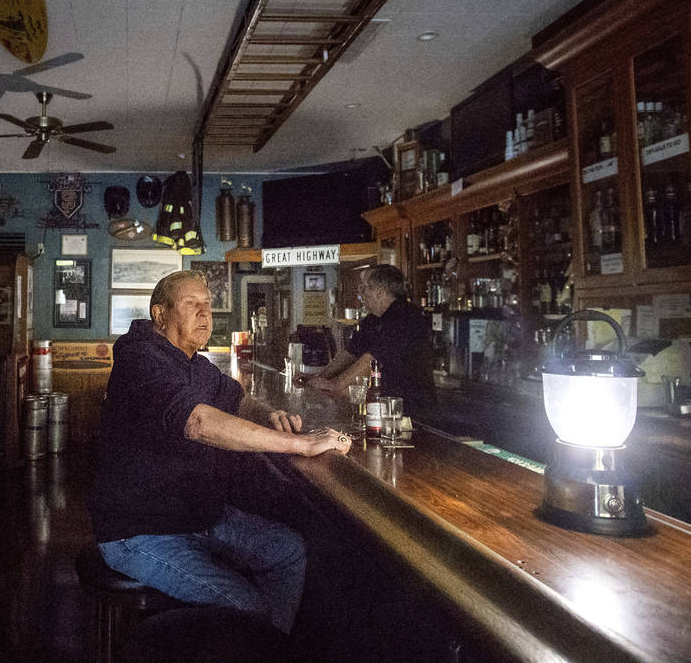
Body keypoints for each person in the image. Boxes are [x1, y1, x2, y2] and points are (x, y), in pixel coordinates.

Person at [89, 270, 350, 634]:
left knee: (287, 551)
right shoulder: (142, 360)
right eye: (191, 304)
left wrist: (270, 417)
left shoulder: (192, 362)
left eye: (208, 305)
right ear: (160, 315)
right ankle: (259, 643)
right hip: (140, 531)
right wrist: (300, 444)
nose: (205, 313)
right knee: (250, 611)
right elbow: (197, 422)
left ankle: (265, 649)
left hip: (194, 514)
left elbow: (237, 400)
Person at [297, 264, 436, 417]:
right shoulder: (372, 320)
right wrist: (322, 377)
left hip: (412, 408)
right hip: (386, 404)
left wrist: (335, 385)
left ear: (379, 292)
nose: (360, 292)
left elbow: (372, 358)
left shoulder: (404, 315)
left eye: (363, 287)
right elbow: (350, 353)